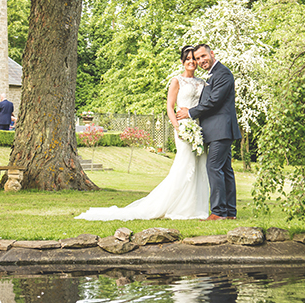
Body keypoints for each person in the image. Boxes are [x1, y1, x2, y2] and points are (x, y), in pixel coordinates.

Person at [76, 46, 209, 221]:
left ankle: (194, 207)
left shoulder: (202, 83)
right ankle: (174, 206)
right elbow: (170, 107)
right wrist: (178, 128)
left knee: (199, 165)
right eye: (188, 59)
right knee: (185, 166)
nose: (192, 62)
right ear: (182, 61)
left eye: (194, 58)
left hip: (197, 128)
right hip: (183, 127)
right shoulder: (177, 81)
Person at [177, 44, 242, 220]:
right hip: (218, 131)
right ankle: (229, 212)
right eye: (198, 58)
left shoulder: (223, 74)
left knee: (214, 168)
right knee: (225, 170)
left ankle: (218, 212)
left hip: (220, 130)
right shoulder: (213, 74)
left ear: (212, 54)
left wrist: (190, 113)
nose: (201, 61)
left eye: (203, 56)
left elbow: (214, 101)